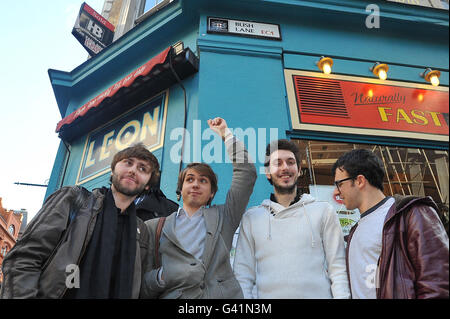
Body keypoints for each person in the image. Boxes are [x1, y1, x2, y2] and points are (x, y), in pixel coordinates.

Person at [0, 143, 160, 299]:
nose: (133, 170)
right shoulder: (72, 199)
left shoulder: (141, 231)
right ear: (113, 170)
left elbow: (141, 289)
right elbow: (24, 258)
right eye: (128, 162)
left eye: (142, 169)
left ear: (147, 184)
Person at [140, 117, 257, 299]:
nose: (195, 185)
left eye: (203, 181)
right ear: (180, 189)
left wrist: (226, 134)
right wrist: (163, 276)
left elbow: (247, 172)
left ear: (211, 193)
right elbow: (142, 284)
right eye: (190, 179)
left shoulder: (225, 216)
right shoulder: (154, 227)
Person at [233, 139, 350, 299]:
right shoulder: (252, 218)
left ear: (299, 170)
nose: (285, 168)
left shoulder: (323, 211)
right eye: (277, 163)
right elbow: (243, 275)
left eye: (290, 162)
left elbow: (338, 268)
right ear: (267, 172)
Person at [332, 148, 449, 299]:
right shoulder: (355, 231)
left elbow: (437, 283)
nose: (336, 192)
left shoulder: (411, 213)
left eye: (339, 184)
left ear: (360, 181)